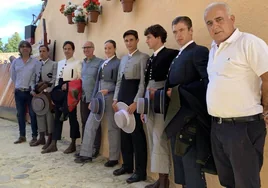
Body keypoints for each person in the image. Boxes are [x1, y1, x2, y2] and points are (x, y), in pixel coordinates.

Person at [204, 2, 268, 188]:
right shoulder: (214, 49)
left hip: (243, 128)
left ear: (231, 20)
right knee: (228, 182)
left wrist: (266, 109)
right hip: (218, 127)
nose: (214, 26)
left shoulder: (248, 43)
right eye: (209, 23)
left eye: (219, 20)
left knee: (246, 183)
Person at [161, 16, 212, 188]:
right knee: (181, 165)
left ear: (191, 30)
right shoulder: (178, 55)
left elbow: (207, 82)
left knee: (192, 166)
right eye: (175, 32)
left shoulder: (199, 51)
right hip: (177, 117)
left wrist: (178, 92)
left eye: (182, 30)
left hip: (191, 118)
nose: (178, 35)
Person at [141, 24, 178, 188]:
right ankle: (159, 177)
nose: (147, 41)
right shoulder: (151, 58)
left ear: (158, 37)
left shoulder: (171, 54)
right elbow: (146, 83)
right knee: (152, 139)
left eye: (149, 37)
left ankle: (165, 181)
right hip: (150, 102)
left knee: (159, 139)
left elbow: (172, 80)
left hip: (161, 102)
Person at [74, 40, 121, 167]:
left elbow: (119, 82)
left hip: (110, 96)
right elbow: (97, 83)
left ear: (114, 49)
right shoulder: (103, 63)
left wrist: (110, 90)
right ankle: (86, 153)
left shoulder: (118, 63)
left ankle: (113, 157)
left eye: (109, 48)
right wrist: (94, 98)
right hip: (99, 96)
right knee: (90, 124)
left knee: (112, 127)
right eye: (105, 48)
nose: (107, 50)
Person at [112, 30, 149, 183]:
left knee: (137, 135)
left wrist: (136, 102)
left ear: (137, 40)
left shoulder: (143, 57)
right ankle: (127, 165)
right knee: (124, 132)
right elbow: (119, 81)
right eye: (126, 40)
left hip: (134, 96)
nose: (129, 43)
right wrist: (115, 99)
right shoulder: (123, 59)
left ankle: (140, 172)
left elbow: (142, 82)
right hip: (122, 96)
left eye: (131, 40)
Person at [42, 41, 82, 154]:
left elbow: (79, 79)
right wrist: (54, 95)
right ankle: (54, 143)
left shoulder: (77, 62)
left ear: (73, 50)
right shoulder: (59, 63)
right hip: (59, 90)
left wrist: (69, 85)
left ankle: (73, 143)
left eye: (69, 48)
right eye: (65, 48)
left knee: (72, 118)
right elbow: (55, 79)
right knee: (57, 117)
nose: (66, 51)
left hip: (70, 91)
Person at [10, 40, 41, 144]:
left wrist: (33, 88)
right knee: (20, 114)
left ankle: (34, 136)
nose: (25, 48)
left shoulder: (35, 62)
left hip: (30, 92)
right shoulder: (15, 62)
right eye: (22, 46)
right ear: (19, 49)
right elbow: (13, 76)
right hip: (19, 92)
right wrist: (19, 85)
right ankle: (22, 136)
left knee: (33, 114)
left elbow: (37, 76)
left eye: (27, 46)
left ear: (30, 49)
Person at [76, 41, 103, 158]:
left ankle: (95, 149)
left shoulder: (100, 62)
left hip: (95, 99)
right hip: (84, 97)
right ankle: (85, 148)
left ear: (93, 48)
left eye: (88, 47)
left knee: (95, 125)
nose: (86, 49)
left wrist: (95, 97)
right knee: (84, 123)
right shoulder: (83, 63)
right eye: (84, 48)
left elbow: (101, 81)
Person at [30, 45, 57, 149]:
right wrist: (33, 90)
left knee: (49, 116)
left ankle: (49, 138)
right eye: (40, 51)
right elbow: (33, 80)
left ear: (48, 52)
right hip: (37, 94)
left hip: (47, 93)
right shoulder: (36, 65)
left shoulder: (54, 64)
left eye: (44, 51)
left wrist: (46, 90)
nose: (42, 53)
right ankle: (41, 138)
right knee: (39, 114)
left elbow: (54, 80)